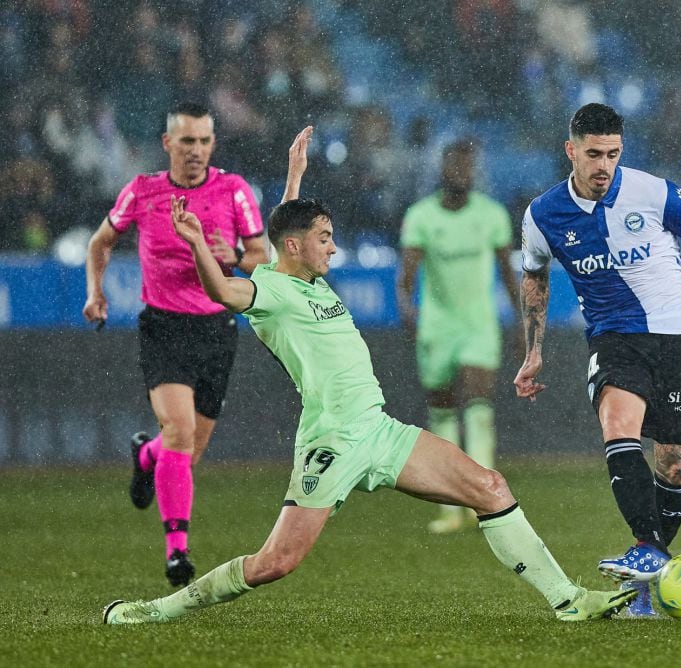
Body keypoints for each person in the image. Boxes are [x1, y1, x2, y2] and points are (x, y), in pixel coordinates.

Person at [103, 126, 635, 626]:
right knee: (275, 562)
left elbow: (283, 229)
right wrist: (196, 241)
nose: (333, 248)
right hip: (331, 441)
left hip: (378, 431)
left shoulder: (300, 275)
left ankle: (567, 600)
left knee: (490, 486)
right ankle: (157, 610)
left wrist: (295, 175)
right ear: (296, 246)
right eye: (325, 238)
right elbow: (223, 290)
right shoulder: (269, 293)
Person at [513, 103, 681, 617]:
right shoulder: (542, 215)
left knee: (675, 461)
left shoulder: (657, 193)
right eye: (593, 154)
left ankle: (648, 569)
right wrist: (534, 352)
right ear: (571, 151)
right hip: (614, 338)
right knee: (618, 426)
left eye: (613, 155)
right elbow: (534, 275)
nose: (603, 166)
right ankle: (647, 545)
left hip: (680, 333)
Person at [83, 102, 269, 586]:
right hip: (164, 327)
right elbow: (100, 242)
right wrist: (95, 292)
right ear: (168, 144)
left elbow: (260, 256)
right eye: (187, 141)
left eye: (205, 141)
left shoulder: (234, 190)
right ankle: (177, 552)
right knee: (180, 432)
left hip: (216, 330)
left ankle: (146, 456)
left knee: (187, 451)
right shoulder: (143, 191)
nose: (197, 151)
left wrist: (238, 259)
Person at [396, 139, 519, 534]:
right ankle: (451, 506)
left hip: (479, 325)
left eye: (467, 165)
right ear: (442, 169)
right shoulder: (421, 217)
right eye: (454, 164)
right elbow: (406, 279)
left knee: (478, 402)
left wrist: (524, 323)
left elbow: (507, 273)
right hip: (437, 327)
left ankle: (484, 500)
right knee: (443, 412)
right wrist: (409, 315)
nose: (461, 171)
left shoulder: (492, 215)